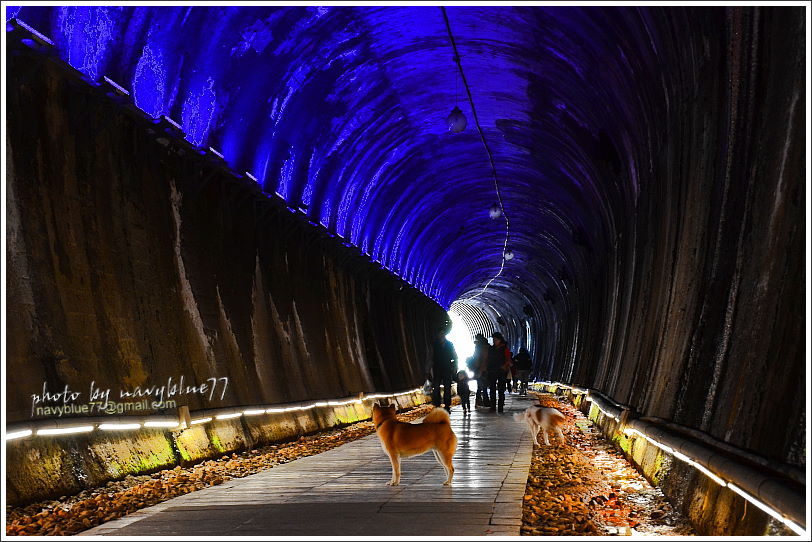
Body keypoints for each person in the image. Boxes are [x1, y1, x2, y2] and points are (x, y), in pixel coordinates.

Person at [426, 328, 458, 411]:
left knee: (447, 388)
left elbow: (454, 356)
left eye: (442, 334)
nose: (441, 335)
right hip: (437, 369)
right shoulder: (434, 344)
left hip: (446, 369)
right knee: (436, 388)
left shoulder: (449, 344)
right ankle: (437, 404)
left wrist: (454, 367)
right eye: (440, 334)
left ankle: (447, 405)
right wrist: (428, 370)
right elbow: (430, 357)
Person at [487, 332, 512, 413]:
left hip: (501, 371)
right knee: (492, 389)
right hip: (492, 370)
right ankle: (493, 406)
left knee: (501, 389)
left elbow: (508, 358)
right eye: (493, 339)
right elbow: (488, 359)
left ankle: (500, 406)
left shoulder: (504, 348)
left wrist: (504, 367)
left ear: (500, 340)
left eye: (496, 339)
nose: (494, 341)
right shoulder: (491, 348)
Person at [471, 333, 490, 407]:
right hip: (486, 368)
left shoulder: (479, 347)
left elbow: (478, 359)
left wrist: (478, 369)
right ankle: (485, 401)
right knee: (484, 386)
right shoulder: (487, 346)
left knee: (480, 386)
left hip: (480, 368)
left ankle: (479, 401)